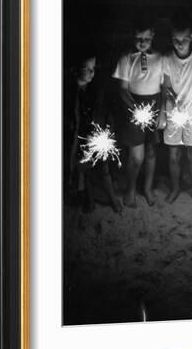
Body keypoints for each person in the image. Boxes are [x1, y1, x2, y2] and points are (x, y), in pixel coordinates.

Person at [112, 16, 165, 207]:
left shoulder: (160, 58)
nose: (142, 43)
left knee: (151, 152)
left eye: (146, 39)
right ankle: (131, 188)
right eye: (138, 38)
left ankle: (148, 188)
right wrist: (135, 109)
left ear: (153, 36)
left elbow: (163, 88)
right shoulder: (126, 58)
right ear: (132, 36)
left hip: (155, 105)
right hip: (133, 106)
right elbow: (122, 89)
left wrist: (162, 112)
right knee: (136, 156)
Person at [162, 12, 192, 208]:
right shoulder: (167, 57)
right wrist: (171, 98)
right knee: (174, 154)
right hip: (174, 114)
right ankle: (175, 188)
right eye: (175, 39)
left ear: (191, 36)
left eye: (183, 39)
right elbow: (165, 86)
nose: (179, 44)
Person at [69, 54, 122, 213]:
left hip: (97, 134)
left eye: (94, 69)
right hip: (78, 136)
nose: (92, 73)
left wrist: (107, 129)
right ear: (76, 70)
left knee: (103, 167)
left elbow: (105, 111)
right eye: (88, 69)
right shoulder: (70, 90)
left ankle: (112, 197)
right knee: (84, 169)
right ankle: (89, 198)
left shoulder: (96, 89)